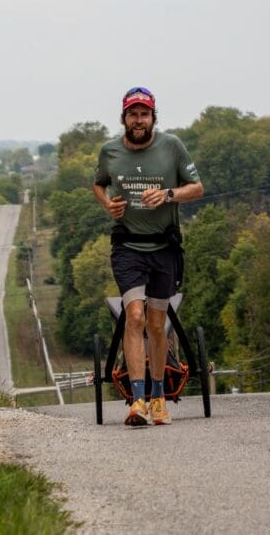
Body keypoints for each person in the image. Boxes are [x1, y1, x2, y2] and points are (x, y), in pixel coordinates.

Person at [93, 86, 204, 426]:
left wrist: (169, 194)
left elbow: (197, 188)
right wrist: (107, 204)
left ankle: (158, 398)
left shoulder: (171, 146)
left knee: (157, 324)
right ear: (123, 118)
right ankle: (137, 401)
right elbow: (99, 183)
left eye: (144, 114)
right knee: (135, 316)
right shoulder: (110, 151)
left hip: (164, 248)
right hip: (127, 247)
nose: (138, 120)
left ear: (153, 117)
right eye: (132, 114)